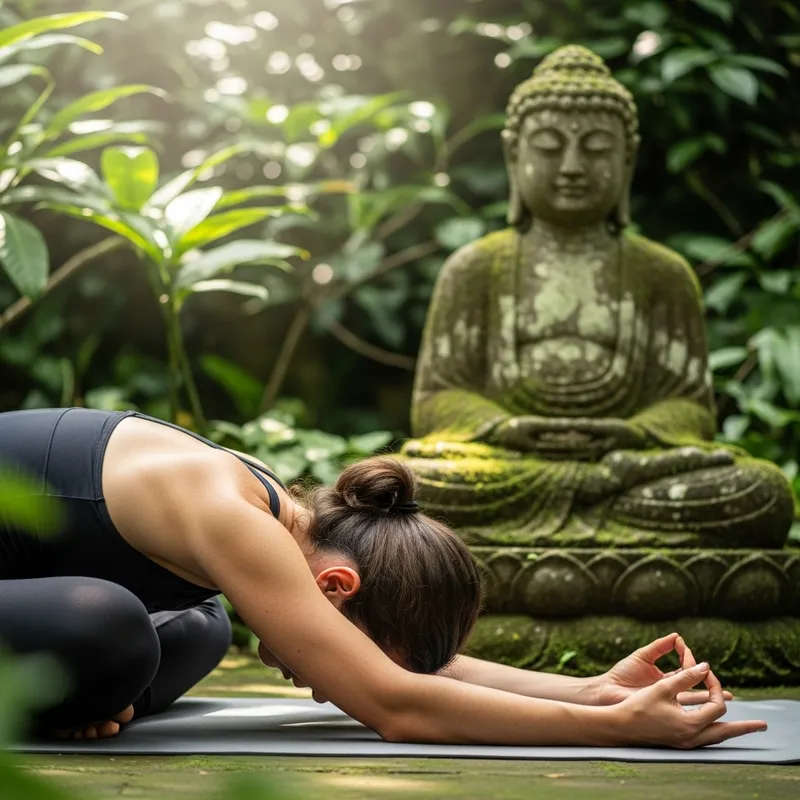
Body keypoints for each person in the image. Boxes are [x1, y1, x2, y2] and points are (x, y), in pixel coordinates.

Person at [0, 407, 766, 747]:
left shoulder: (291, 524)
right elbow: (396, 700)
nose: (327, 685)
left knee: (198, 630)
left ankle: (63, 694)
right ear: (337, 590)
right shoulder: (233, 516)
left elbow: (392, 663)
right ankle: (68, 686)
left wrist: (589, 688)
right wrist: (611, 730)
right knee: (109, 633)